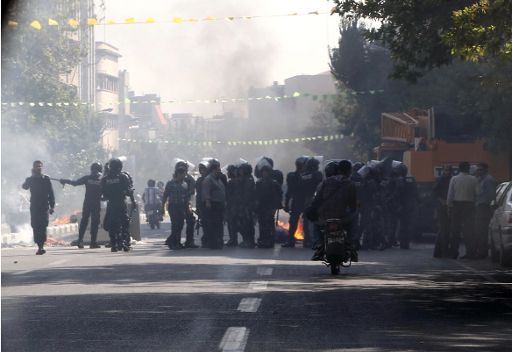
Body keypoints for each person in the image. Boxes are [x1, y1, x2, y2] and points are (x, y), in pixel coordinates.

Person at [308, 160, 357, 261]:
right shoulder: (350, 184)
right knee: (353, 221)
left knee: (316, 224)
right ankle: (350, 245)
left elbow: (317, 199)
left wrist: (313, 209)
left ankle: (318, 244)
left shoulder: (325, 182)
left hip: (325, 217)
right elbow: (353, 204)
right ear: (350, 171)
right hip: (342, 217)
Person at [60, 162, 103, 249]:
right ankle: (93, 242)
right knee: (94, 222)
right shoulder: (101, 180)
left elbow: (75, 183)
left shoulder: (87, 178)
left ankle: (80, 240)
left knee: (84, 221)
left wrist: (65, 180)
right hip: (96, 204)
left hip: (87, 203)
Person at [101, 158, 136, 252]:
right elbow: (129, 191)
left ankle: (113, 244)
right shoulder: (123, 177)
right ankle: (125, 242)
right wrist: (133, 202)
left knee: (112, 225)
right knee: (125, 223)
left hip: (111, 204)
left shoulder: (105, 179)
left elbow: (102, 195)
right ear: (119, 167)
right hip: (121, 203)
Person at [22, 160, 55, 255]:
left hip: (44, 206)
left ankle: (41, 246)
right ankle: (39, 245)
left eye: (40, 166)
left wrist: (52, 206)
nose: (39, 168)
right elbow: (24, 187)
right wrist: (31, 177)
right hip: (35, 206)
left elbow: (51, 193)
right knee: (35, 226)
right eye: (37, 166)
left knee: (43, 225)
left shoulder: (46, 179)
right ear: (33, 168)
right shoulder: (30, 179)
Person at [447, 161, 478, 259]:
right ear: (468, 169)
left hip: (457, 205)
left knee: (455, 230)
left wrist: (449, 206)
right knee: (469, 230)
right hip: (470, 205)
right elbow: (477, 193)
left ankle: (454, 252)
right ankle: (470, 253)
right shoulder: (474, 179)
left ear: (459, 169)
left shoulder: (454, 179)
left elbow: (450, 194)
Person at [161, 167, 190, 250]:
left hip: (182, 207)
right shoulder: (170, 183)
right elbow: (165, 195)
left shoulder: (185, 184)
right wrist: (162, 207)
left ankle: (176, 242)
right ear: (179, 174)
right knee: (175, 225)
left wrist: (187, 207)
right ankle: (173, 243)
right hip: (173, 206)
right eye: (183, 174)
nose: (185, 176)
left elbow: (186, 197)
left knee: (180, 225)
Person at [282, 156, 308, 248]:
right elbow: (290, 191)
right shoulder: (292, 176)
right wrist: (286, 203)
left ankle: (307, 240)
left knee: (306, 222)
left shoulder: (309, 176)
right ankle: (291, 241)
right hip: (298, 201)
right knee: (293, 222)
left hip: (305, 201)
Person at [255, 165, 283, 248]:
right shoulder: (259, 183)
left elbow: (278, 196)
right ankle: (262, 240)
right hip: (261, 206)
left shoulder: (274, 183)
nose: (265, 173)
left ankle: (270, 241)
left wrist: (275, 207)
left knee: (269, 224)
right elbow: (256, 195)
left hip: (270, 206)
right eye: (263, 172)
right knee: (261, 223)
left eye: (266, 172)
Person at [202, 159, 226, 249]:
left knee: (219, 224)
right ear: (213, 170)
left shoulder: (218, 180)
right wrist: (208, 201)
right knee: (213, 224)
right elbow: (206, 192)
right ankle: (213, 242)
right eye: (217, 169)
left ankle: (219, 241)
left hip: (220, 205)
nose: (219, 171)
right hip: (212, 205)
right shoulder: (208, 179)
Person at [474, 163, 496, 259]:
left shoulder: (488, 180)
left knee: (482, 230)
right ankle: (481, 251)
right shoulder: (480, 180)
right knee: (479, 230)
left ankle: (483, 252)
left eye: (480, 170)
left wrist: (487, 206)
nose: (478, 171)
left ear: (485, 170)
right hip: (480, 207)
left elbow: (491, 196)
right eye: (478, 169)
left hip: (484, 207)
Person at [394, 163, 419, 249]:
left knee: (402, 225)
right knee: (408, 224)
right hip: (411, 205)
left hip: (402, 205)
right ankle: (406, 243)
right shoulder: (412, 179)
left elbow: (397, 194)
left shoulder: (399, 181)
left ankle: (403, 243)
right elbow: (416, 193)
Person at [174, 161, 198, 248]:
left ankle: (189, 241)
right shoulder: (175, 180)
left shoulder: (188, 179)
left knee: (190, 221)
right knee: (177, 224)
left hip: (186, 204)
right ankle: (175, 241)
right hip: (176, 205)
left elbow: (192, 190)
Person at [432, 165, 453, 258]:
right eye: (446, 170)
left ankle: (439, 252)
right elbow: (435, 193)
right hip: (442, 207)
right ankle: (443, 251)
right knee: (444, 230)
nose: (447, 172)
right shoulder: (441, 179)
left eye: (449, 170)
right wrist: (442, 201)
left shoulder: (451, 179)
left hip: (448, 206)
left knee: (444, 230)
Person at [238, 163, 257, 248]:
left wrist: (244, 204)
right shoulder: (246, 179)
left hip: (247, 206)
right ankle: (247, 240)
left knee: (247, 224)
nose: (240, 171)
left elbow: (247, 194)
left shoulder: (248, 180)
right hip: (245, 205)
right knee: (244, 224)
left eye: (242, 170)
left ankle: (249, 241)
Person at [225, 164, 241, 247]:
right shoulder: (238, 181)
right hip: (235, 205)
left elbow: (229, 195)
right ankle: (233, 239)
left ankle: (233, 240)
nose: (227, 173)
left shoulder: (232, 182)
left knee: (232, 223)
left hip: (233, 206)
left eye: (228, 171)